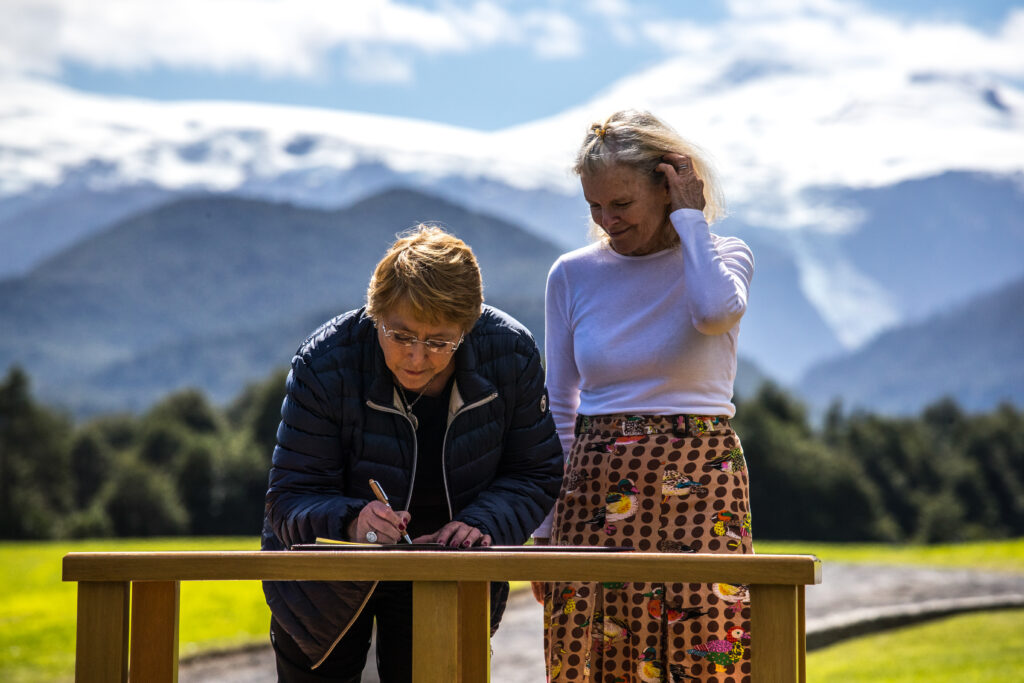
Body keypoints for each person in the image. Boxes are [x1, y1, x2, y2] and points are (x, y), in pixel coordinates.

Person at [261, 225, 563, 682]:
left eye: (440, 342)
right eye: (400, 335)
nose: (417, 358)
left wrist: (482, 524)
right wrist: (353, 521)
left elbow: (534, 471)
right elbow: (289, 498)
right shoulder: (324, 362)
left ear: (469, 326)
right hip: (324, 582)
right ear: (374, 312)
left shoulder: (510, 353)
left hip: (448, 570)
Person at [532, 110, 755, 683]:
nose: (606, 220)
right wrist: (545, 528)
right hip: (594, 487)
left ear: (666, 184)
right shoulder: (572, 274)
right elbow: (561, 404)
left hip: (700, 484)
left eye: (621, 204)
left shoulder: (723, 257)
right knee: (590, 659)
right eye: (593, 206)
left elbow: (712, 313)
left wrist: (690, 220)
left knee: (701, 649)